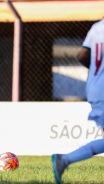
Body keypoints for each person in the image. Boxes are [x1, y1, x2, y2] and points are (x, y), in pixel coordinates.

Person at [52, 18, 104, 184]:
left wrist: (98, 70)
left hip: (95, 87)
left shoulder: (97, 27)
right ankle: (65, 159)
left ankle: (65, 160)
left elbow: (82, 55)